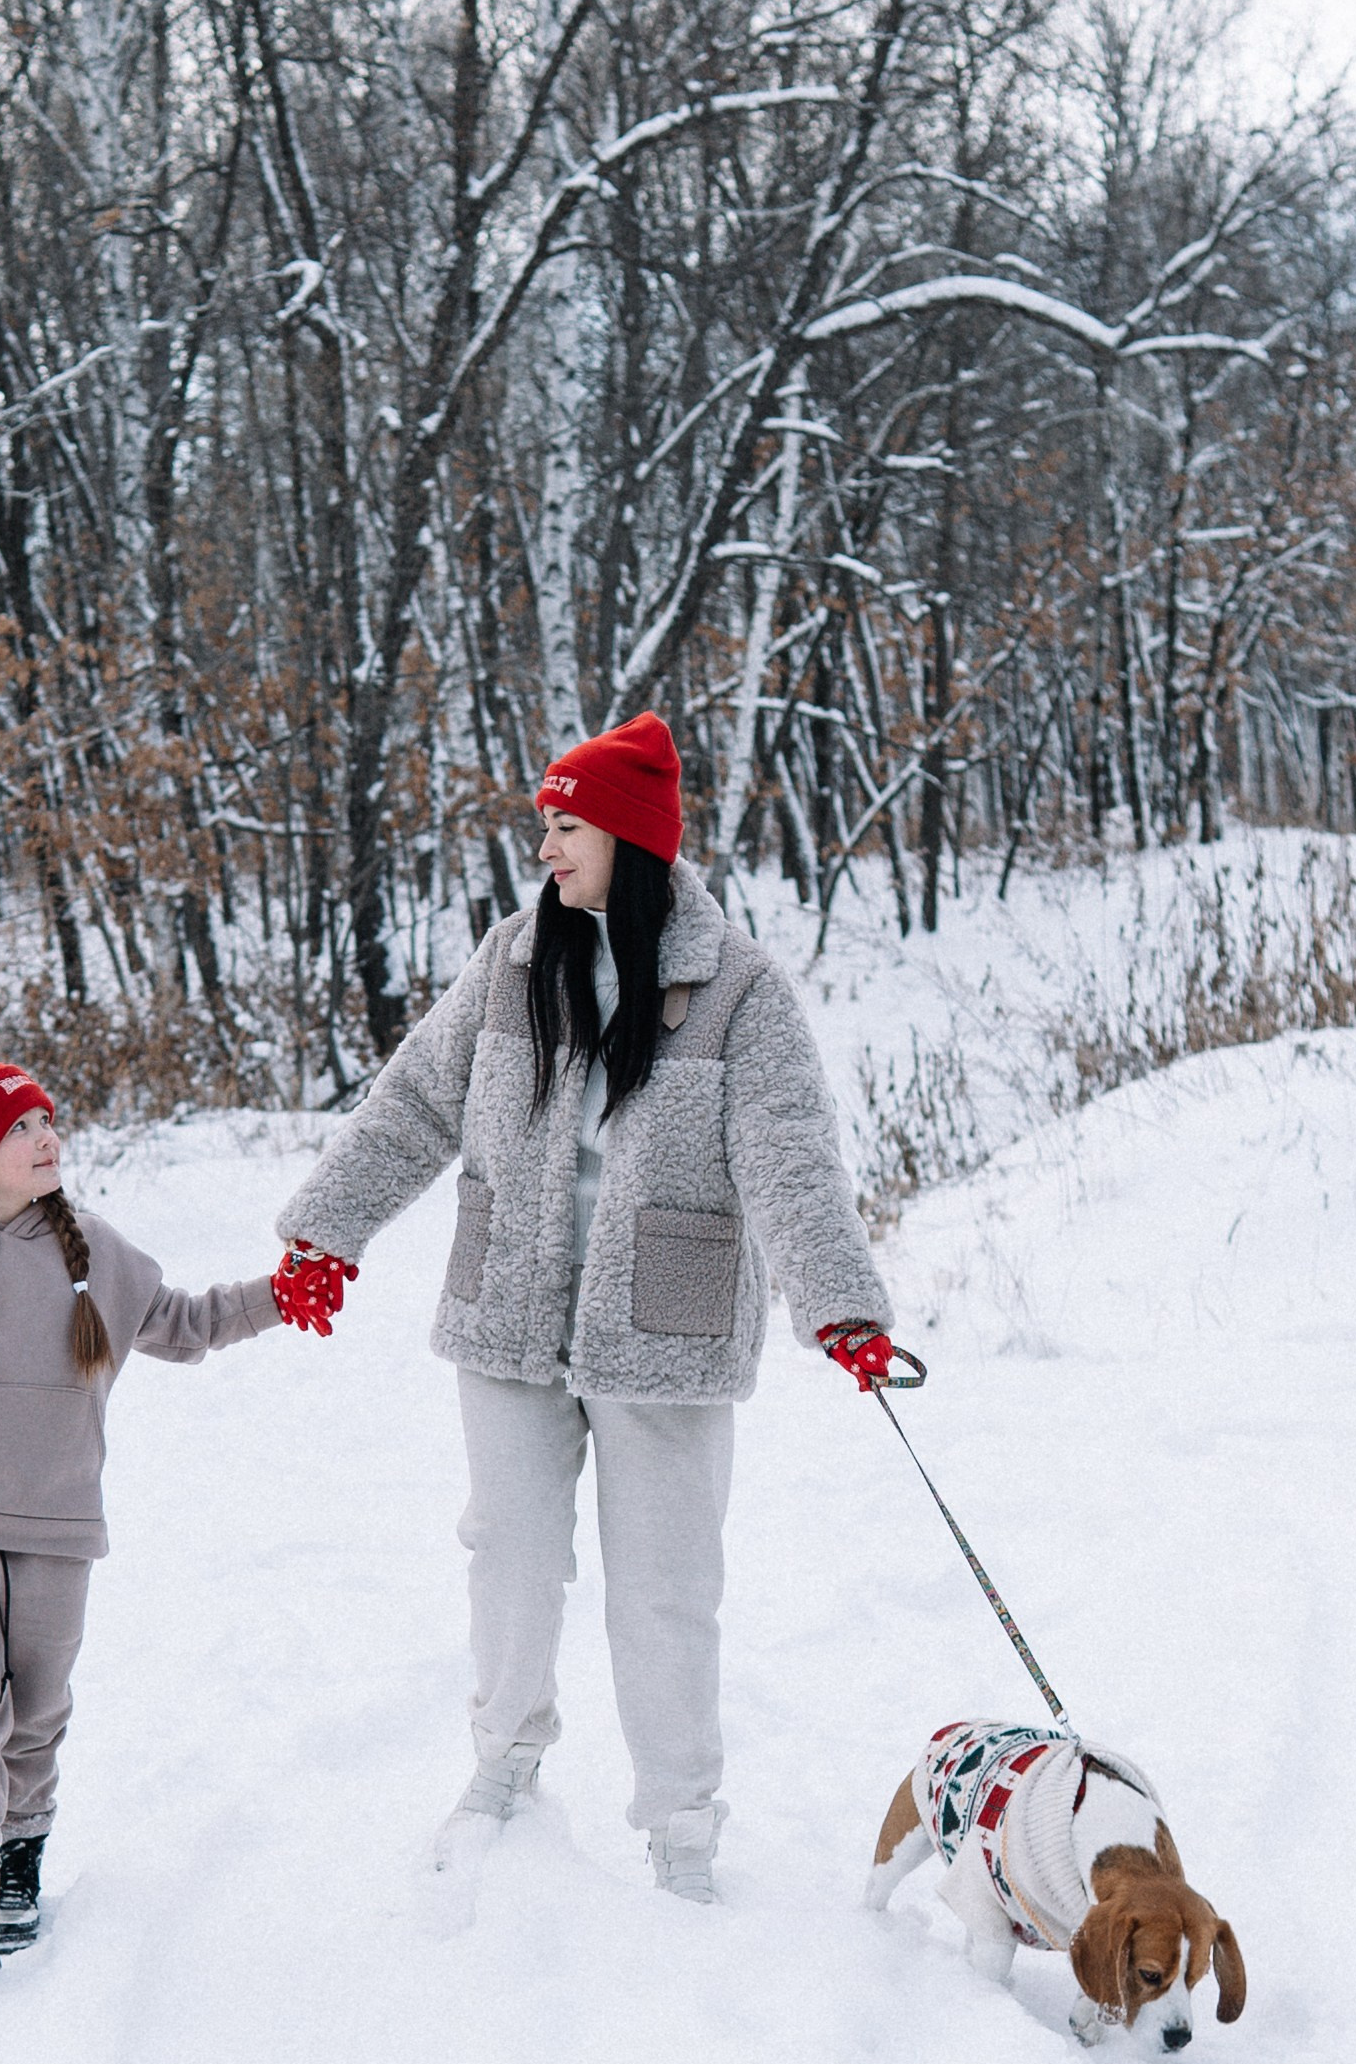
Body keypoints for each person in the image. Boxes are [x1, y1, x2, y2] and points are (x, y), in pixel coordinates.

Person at [277, 712, 895, 1909]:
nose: (549, 848)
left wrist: (841, 1308)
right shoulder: (516, 958)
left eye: (569, 826)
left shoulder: (737, 991)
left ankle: (681, 1833)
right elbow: (414, 1100)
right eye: (546, 827)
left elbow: (790, 1160)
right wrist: (327, 1227)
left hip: (661, 1325)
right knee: (506, 1552)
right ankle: (503, 1764)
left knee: (665, 1589)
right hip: (510, 1308)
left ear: (632, 835)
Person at [0, 1060, 347, 1977]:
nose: (47, 1137)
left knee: (36, 1710)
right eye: (20, 1128)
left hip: (55, 1526)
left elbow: (185, 1323)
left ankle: (16, 1864)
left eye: (48, 1118)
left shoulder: (100, 1255)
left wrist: (276, 1298)